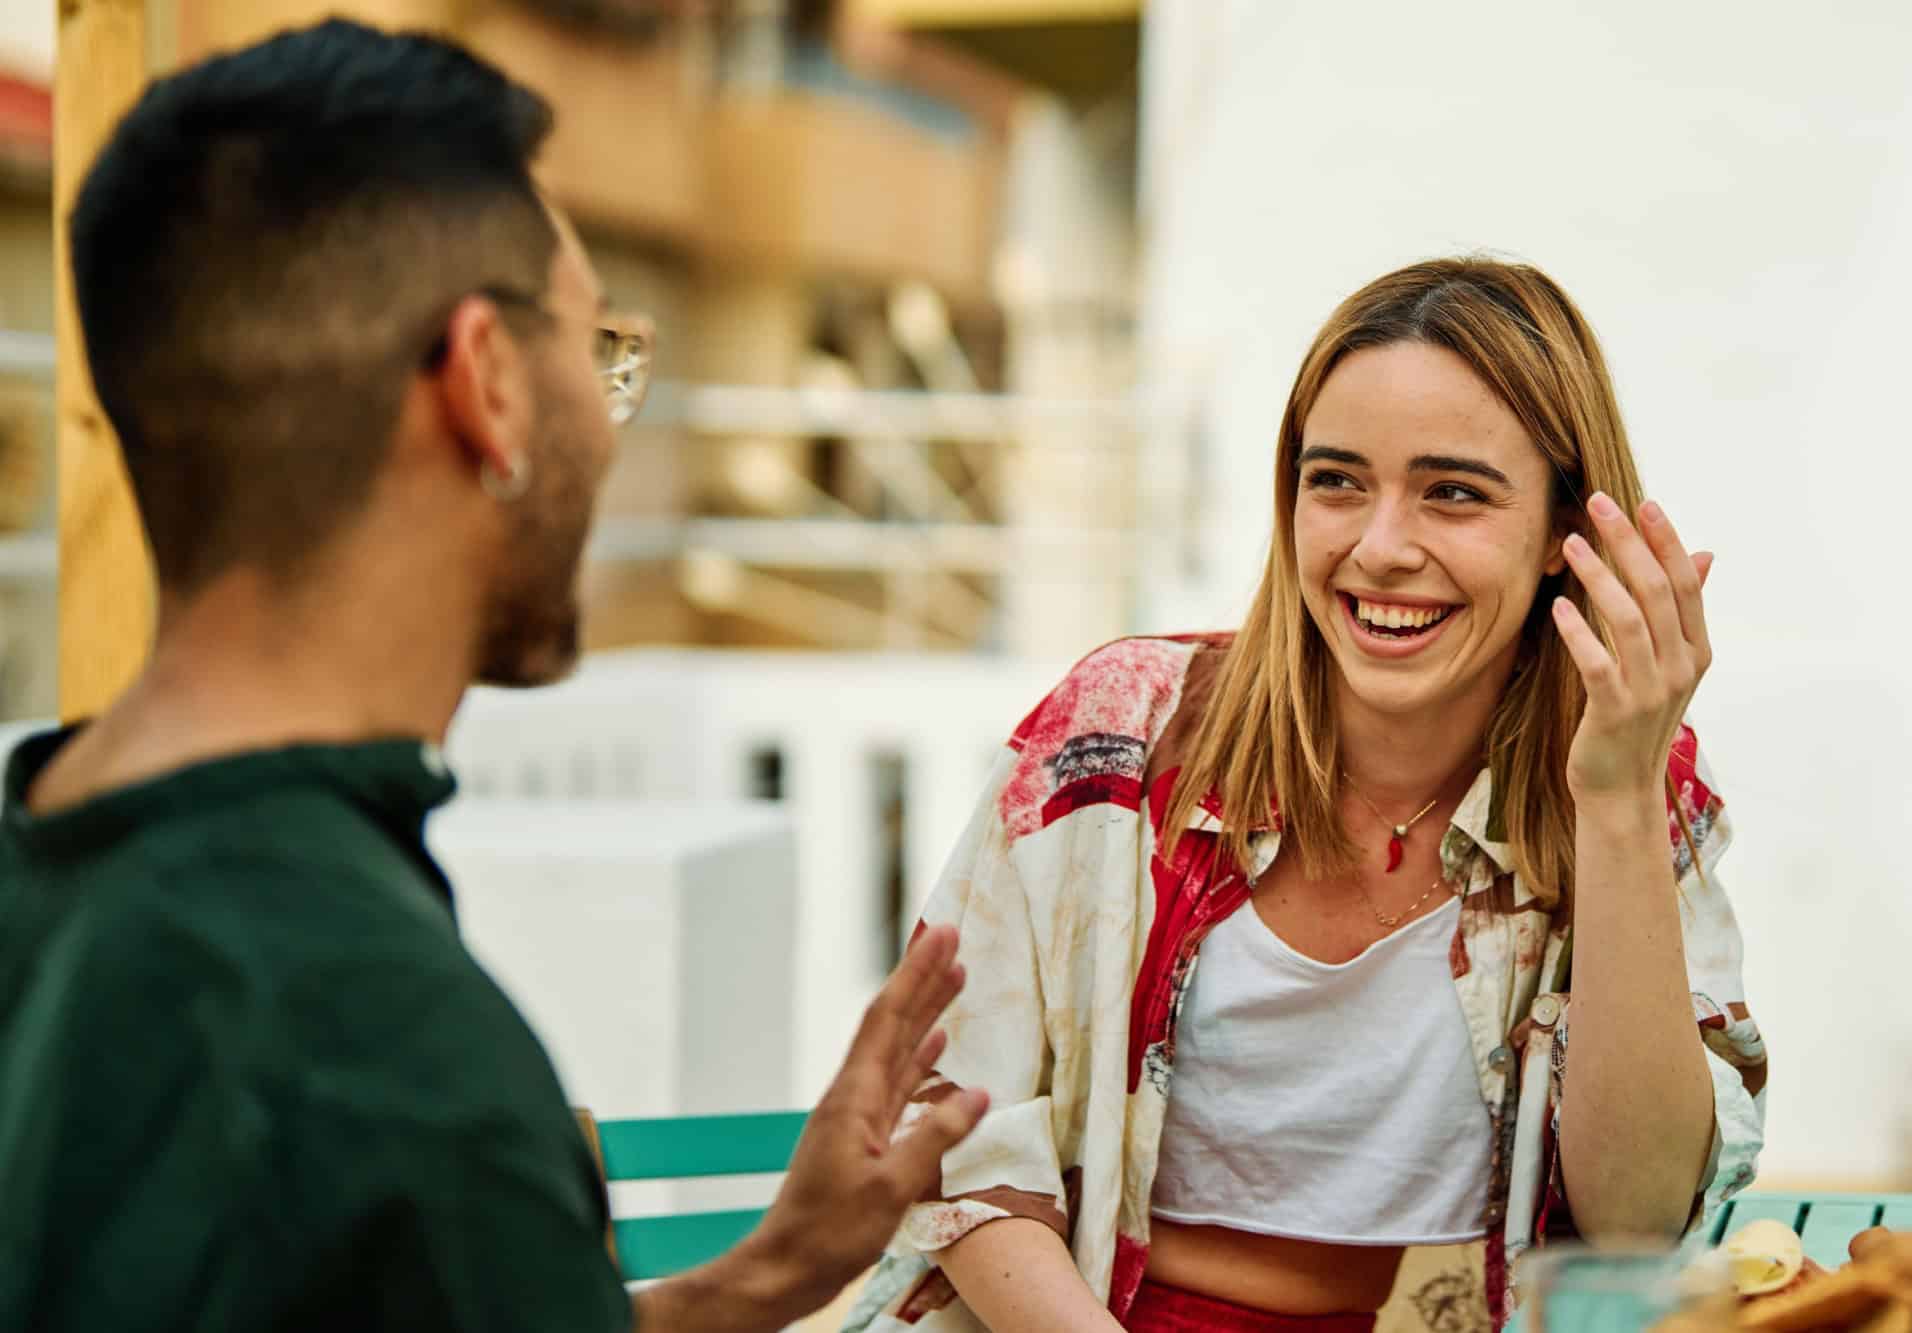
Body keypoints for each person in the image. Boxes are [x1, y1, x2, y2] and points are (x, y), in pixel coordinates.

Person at [0, 19, 987, 1332]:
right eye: (598, 351)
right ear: (486, 385)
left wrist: (761, 1274)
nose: (607, 420)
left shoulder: (63, 882)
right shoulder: (389, 1059)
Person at [841, 259, 1769, 1333]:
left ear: (1567, 530)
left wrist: (1614, 804)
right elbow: (954, 1128)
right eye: (1334, 481)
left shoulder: (1627, 777)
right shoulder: (1116, 733)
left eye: (1452, 492)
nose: (1377, 549)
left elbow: (1636, 1222)